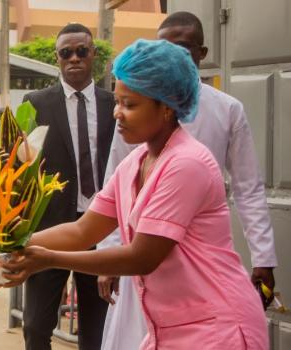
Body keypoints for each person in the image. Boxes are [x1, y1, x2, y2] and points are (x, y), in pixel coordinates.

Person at [3, 39, 268, 350]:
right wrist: (9, 242)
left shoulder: (187, 164)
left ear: (167, 107)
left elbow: (142, 257)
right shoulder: (134, 163)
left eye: (129, 104)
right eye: (117, 101)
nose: (117, 113)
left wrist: (47, 259)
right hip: (170, 326)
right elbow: (82, 230)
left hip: (218, 325)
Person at [97, 11, 278, 350]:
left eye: (181, 48)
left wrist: (263, 256)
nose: (170, 58)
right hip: (144, 263)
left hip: (191, 271)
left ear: (202, 53)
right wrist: (108, 253)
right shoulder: (135, 131)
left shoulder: (222, 116)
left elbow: (248, 188)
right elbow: (113, 192)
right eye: (161, 49)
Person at [20, 23, 115, 350]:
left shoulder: (113, 105)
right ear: (58, 59)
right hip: (51, 230)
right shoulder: (36, 104)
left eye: (81, 51)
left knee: (97, 329)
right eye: (65, 53)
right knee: (35, 326)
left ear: (94, 56)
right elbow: (22, 167)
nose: (74, 58)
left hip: (100, 231)